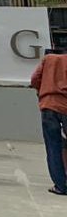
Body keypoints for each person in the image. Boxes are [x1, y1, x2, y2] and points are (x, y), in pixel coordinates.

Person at [31, 49, 67, 195]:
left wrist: (41, 91)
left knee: (53, 146)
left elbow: (34, 79)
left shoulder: (48, 59)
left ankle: (60, 185)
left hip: (49, 105)